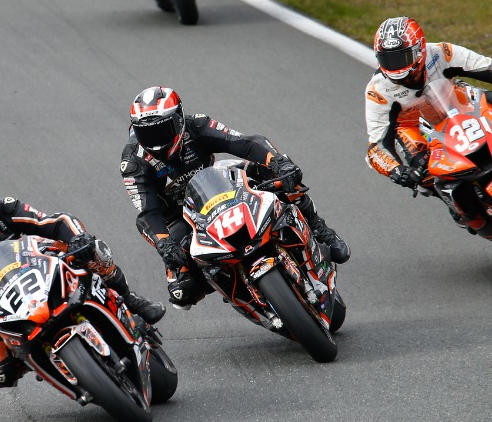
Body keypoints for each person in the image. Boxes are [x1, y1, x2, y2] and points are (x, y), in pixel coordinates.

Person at [120, 86, 350, 310]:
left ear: (179, 119)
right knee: (183, 291)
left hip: (219, 185)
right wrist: (163, 243)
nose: (155, 139)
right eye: (146, 132)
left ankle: (319, 228)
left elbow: (245, 142)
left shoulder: (197, 125)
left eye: (162, 129)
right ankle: (237, 289)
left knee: (279, 174)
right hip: (179, 215)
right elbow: (147, 212)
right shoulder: (133, 161)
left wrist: (277, 161)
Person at [0, 175, 165, 388]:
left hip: (37, 262)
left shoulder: (7, 209)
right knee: (2, 373)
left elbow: (56, 222)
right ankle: (40, 358)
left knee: (92, 251)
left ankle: (130, 299)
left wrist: (78, 239)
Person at [365, 16, 492, 237]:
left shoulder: (440, 53)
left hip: (459, 102)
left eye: (403, 58)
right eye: (388, 60)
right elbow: (376, 146)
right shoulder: (378, 90)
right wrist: (397, 170)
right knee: (423, 176)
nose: (397, 68)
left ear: (419, 49)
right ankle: (461, 207)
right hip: (415, 128)